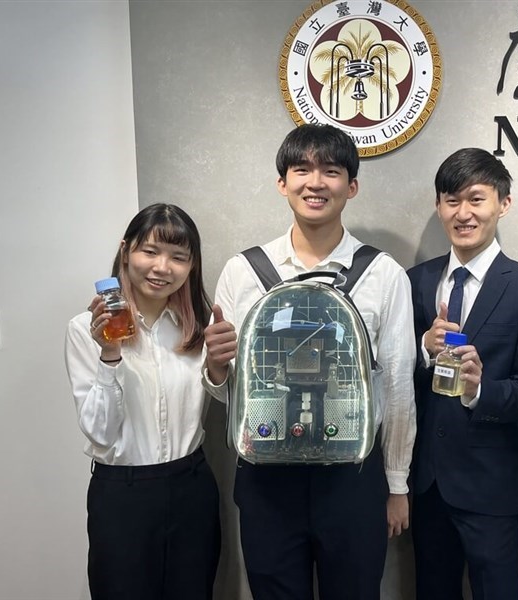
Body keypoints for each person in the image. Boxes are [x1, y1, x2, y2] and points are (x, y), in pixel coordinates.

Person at [203, 123, 416, 600]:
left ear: (351, 186)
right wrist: (216, 369)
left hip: (354, 476)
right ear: (283, 183)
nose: (315, 182)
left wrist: (396, 483)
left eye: (331, 171)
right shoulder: (244, 272)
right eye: (301, 170)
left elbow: (399, 385)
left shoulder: (383, 275)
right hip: (264, 475)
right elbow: (229, 391)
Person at [407, 148, 518, 600]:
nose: (463, 213)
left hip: (492, 487)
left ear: (502, 204)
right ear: (439, 207)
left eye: (476, 199)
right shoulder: (414, 282)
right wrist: (423, 350)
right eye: (451, 200)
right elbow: (391, 377)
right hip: (427, 483)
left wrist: (478, 391)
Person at [64, 204, 221, 600]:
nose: (162, 267)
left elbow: (221, 396)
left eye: (178, 257)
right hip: (122, 494)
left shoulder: (198, 328)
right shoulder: (85, 330)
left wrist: (221, 365)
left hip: (191, 487)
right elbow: (100, 431)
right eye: (149, 251)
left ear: (191, 266)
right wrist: (110, 355)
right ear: (125, 251)